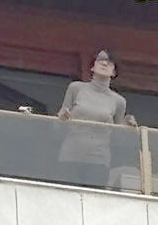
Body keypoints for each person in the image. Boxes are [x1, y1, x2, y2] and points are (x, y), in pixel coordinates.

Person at [55, 50, 136, 189]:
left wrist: (127, 127)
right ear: (92, 67)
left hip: (99, 160)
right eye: (100, 60)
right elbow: (59, 122)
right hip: (70, 154)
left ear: (114, 72)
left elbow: (117, 139)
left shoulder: (119, 101)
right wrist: (62, 118)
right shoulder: (76, 88)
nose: (104, 63)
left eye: (109, 62)